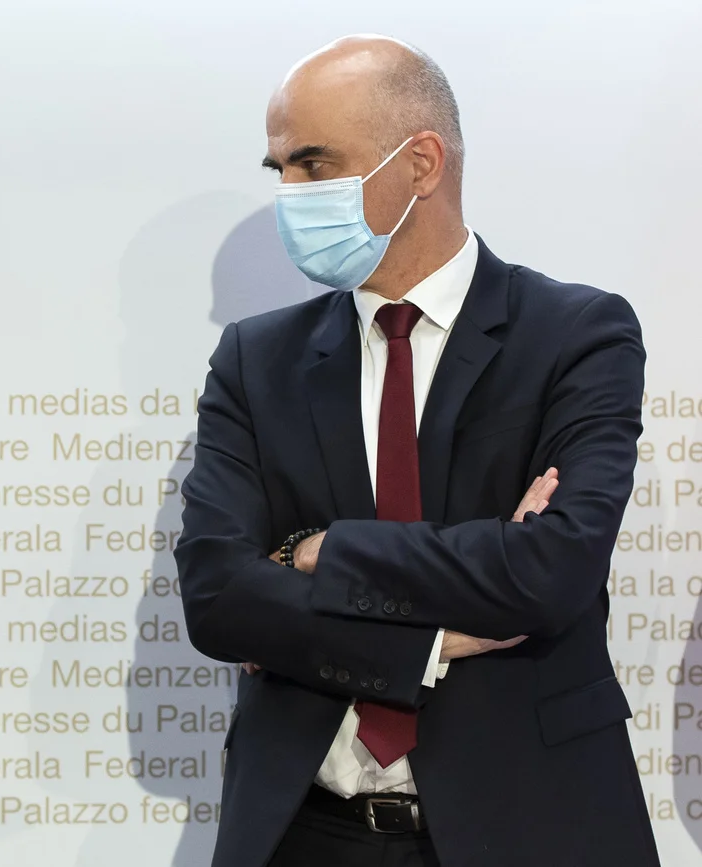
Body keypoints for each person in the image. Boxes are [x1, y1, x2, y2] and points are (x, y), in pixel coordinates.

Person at [176, 35, 658, 867]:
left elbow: (553, 568)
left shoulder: (576, 334)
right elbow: (218, 594)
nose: (289, 194)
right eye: (279, 168)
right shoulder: (257, 360)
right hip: (304, 832)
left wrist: (319, 551)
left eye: (313, 164)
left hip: (533, 825)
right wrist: (425, 644)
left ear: (422, 163)